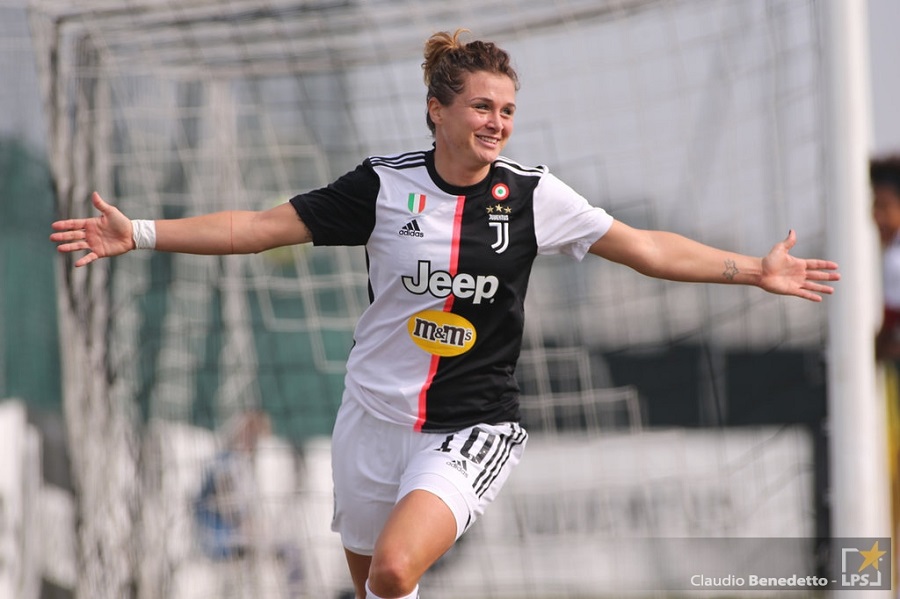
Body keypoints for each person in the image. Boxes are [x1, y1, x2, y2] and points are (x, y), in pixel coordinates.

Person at [50, 29, 839, 599]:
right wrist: (139, 232)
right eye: (482, 106)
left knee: (396, 570)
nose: (497, 122)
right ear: (437, 110)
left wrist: (755, 271)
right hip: (370, 418)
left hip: (470, 424)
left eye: (508, 110)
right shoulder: (381, 187)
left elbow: (646, 248)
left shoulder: (533, 196)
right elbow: (259, 228)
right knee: (375, 584)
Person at [872, 154, 900, 362]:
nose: (877, 215)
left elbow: (890, 323)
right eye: (875, 206)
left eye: (884, 206)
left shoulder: (894, 260)